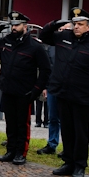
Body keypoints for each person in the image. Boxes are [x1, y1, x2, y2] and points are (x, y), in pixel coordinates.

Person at [41, 8, 89, 177]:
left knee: (80, 132)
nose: (76, 27)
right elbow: (44, 36)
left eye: (80, 24)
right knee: (66, 130)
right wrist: (56, 23)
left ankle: (80, 165)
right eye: (75, 24)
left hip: (83, 96)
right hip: (63, 93)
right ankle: (68, 162)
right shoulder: (64, 37)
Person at [0, 11, 50, 165]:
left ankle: (21, 152)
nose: (14, 28)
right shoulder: (6, 41)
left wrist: (36, 90)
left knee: (22, 124)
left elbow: (46, 70)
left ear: (25, 26)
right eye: (12, 25)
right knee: (10, 123)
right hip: (7, 89)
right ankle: (11, 150)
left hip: (24, 92)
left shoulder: (34, 46)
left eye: (17, 25)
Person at [37, 22, 71, 155]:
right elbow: (47, 68)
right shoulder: (52, 46)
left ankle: (67, 147)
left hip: (67, 88)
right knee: (53, 118)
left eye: (66, 29)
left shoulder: (74, 46)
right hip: (52, 86)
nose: (62, 32)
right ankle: (52, 144)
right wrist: (45, 86)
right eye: (60, 29)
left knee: (67, 119)